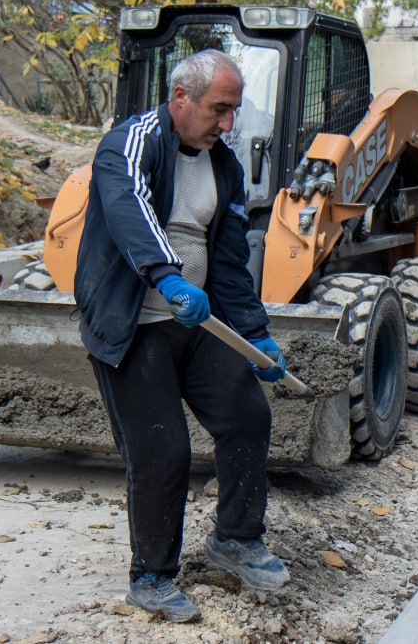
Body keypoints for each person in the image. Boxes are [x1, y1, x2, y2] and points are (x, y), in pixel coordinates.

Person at [74, 49, 292, 623]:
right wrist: (166, 276)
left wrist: (256, 334)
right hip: (133, 325)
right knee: (161, 449)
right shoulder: (134, 140)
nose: (227, 124)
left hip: (197, 323)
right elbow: (130, 210)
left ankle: (236, 539)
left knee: (248, 416)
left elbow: (228, 259)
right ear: (180, 98)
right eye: (219, 109)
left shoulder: (224, 166)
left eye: (233, 112)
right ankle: (151, 575)